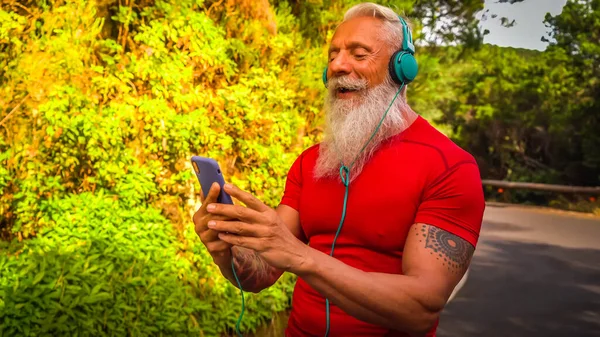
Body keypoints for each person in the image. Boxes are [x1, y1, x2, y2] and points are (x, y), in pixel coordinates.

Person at [193, 2, 485, 336]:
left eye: (359, 54)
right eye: (333, 55)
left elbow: (420, 309)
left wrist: (302, 257)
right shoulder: (311, 162)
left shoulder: (450, 168)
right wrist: (226, 250)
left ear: (401, 68)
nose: (338, 66)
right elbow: (260, 275)